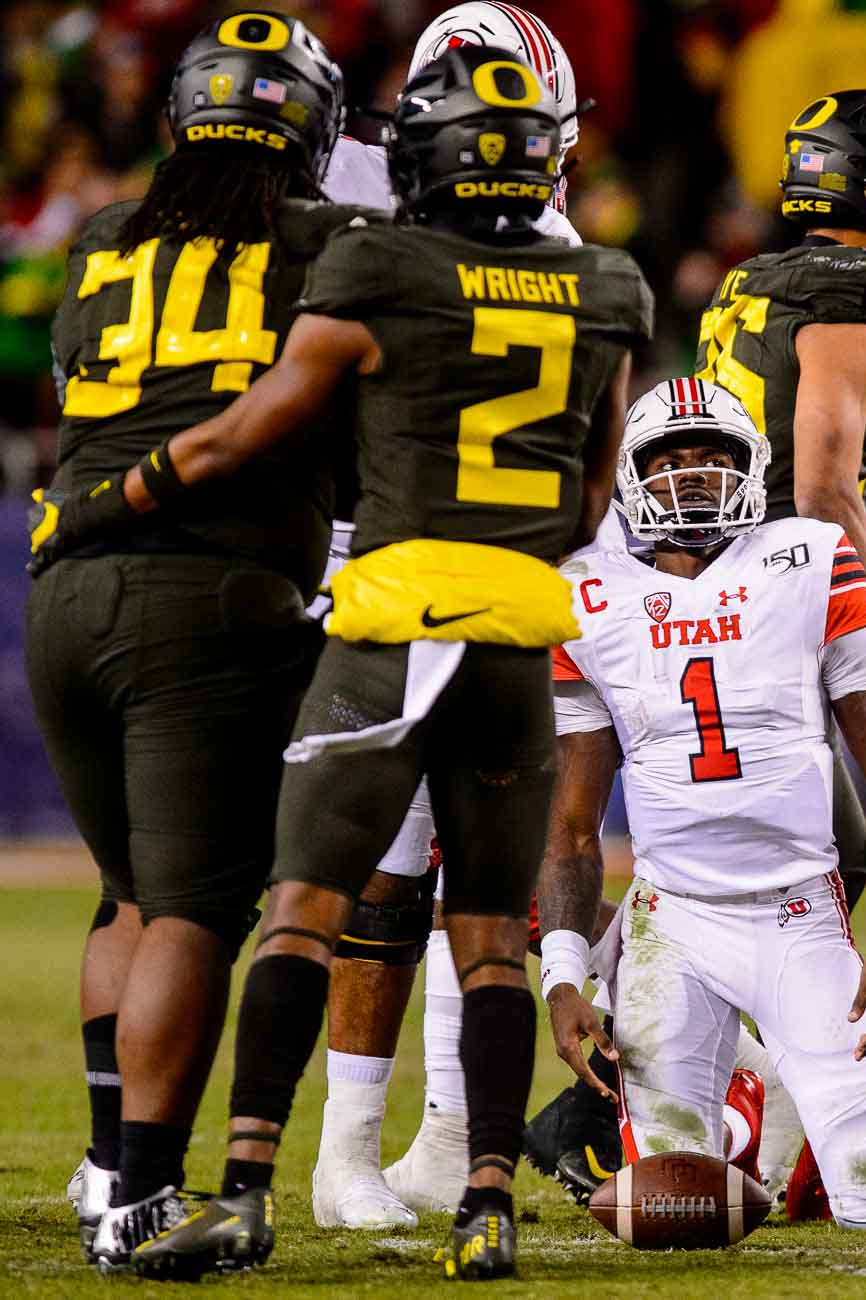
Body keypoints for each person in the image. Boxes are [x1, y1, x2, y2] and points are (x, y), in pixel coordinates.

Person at [37, 44, 653, 1281]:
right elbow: (590, 500)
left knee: (259, 908)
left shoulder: (323, 254)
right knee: (478, 934)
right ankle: (484, 1199)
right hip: (487, 626)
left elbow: (214, 417)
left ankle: (212, 1183)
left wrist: (106, 499)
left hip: (306, 611)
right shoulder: (604, 284)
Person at [526, 86, 866, 1212]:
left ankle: (634, 1089)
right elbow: (818, 482)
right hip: (755, 573)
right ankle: (673, 1091)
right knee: (859, 756)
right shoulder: (858, 286)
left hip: (685, 565)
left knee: (748, 836)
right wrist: (836, 596)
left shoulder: (757, 277)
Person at [25, 9, 351, 1271]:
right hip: (205, 592)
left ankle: (109, 1160)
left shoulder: (103, 237)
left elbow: (74, 385)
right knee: (199, 908)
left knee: (129, 893)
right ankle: (145, 1198)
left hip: (63, 583)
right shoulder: (327, 241)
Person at [308, 1, 588, 1232]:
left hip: (481, 568)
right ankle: (333, 1148)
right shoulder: (352, 199)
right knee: (367, 864)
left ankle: (439, 1142)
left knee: (465, 870)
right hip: (368, 559)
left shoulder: (542, 232)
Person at [539, 377, 866, 1230]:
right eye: (668, 460)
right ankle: (744, 1112)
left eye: (712, 457)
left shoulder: (808, 557)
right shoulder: (587, 596)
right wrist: (564, 977)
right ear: (635, 477)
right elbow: (572, 825)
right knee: (675, 1193)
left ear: (749, 467)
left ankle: (769, 1123)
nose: (690, 475)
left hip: (799, 916)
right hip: (666, 924)